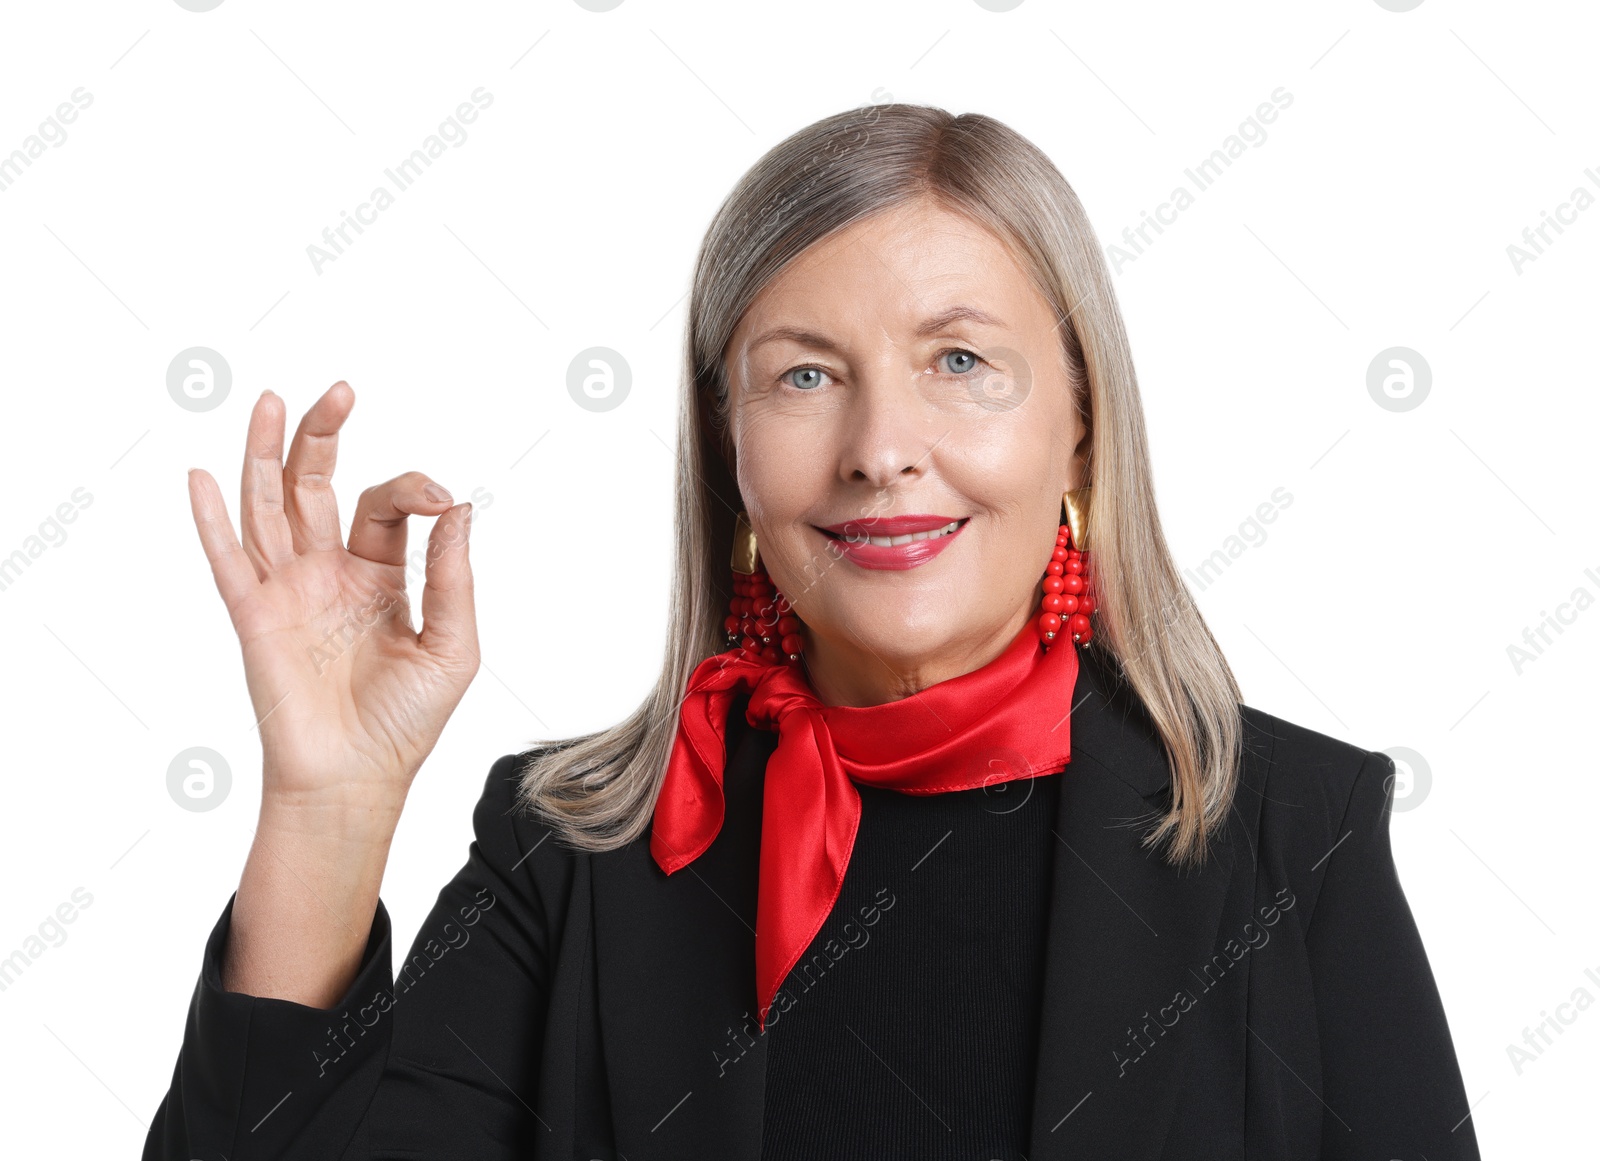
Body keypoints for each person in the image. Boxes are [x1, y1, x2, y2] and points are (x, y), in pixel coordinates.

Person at [143, 104, 1480, 1160]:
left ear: (1079, 415)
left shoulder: (1295, 832)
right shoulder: (574, 854)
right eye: (804, 375)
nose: (881, 450)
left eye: (960, 360)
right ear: (728, 448)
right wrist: (327, 804)